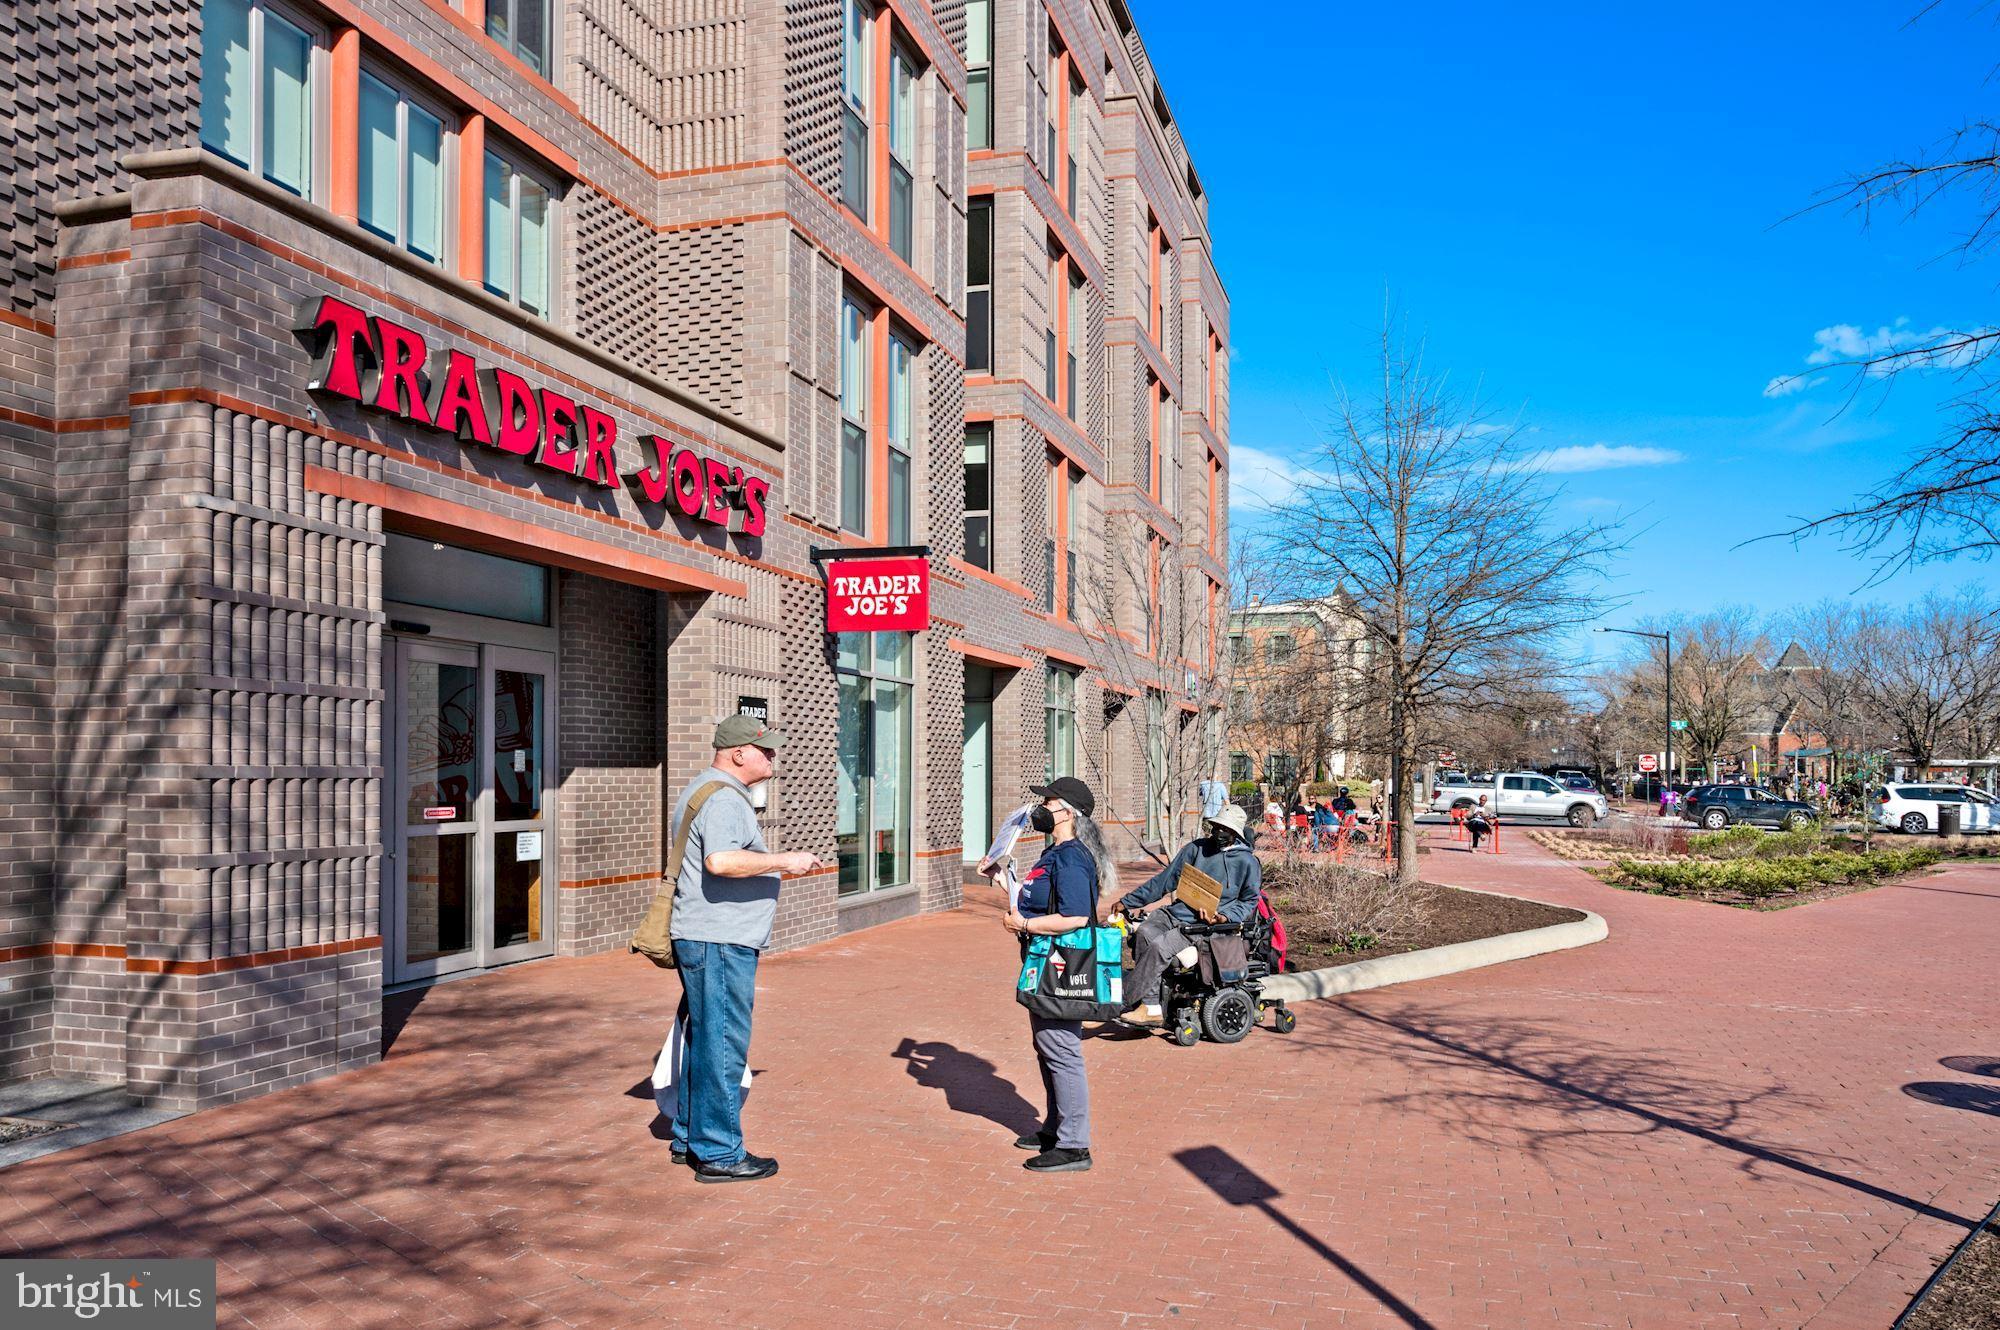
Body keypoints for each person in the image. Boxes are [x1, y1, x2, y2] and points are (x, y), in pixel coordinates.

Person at [668, 716, 827, 1184]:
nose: (773, 757)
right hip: (719, 939)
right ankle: (719, 1152)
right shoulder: (723, 798)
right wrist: (786, 860)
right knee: (722, 1042)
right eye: (766, 750)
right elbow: (721, 860)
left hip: (708, 936)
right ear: (738, 753)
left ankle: (690, 1136)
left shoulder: (708, 790)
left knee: (705, 1039)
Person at [1001, 776, 1117, 1173]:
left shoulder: (1071, 857)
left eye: (1048, 803)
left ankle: (1074, 1146)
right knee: (1047, 1046)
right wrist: (1002, 879)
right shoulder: (1054, 852)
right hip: (1044, 962)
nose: (1041, 809)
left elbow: (1076, 916)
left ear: (1067, 813)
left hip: (1063, 965)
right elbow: (1036, 899)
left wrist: (1024, 925)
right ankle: (1055, 1128)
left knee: (1061, 1049)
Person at [1115, 805, 1263, 1026]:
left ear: (1235, 833)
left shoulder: (1247, 863)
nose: (1219, 832)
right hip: (1177, 913)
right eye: (1216, 827)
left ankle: (1116, 1004)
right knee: (1144, 932)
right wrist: (1128, 901)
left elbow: (1249, 901)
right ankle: (1151, 1007)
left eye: (1225, 829)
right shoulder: (1196, 849)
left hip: (1206, 926)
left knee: (1160, 946)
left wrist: (1223, 917)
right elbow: (1165, 880)